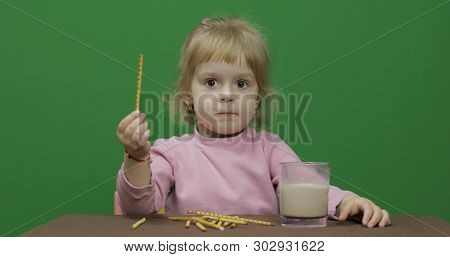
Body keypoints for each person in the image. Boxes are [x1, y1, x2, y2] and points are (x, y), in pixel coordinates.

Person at [116, 16, 391, 228]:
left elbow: (309, 189)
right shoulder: (171, 153)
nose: (226, 95)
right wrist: (137, 157)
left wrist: (347, 201)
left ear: (257, 97)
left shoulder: (270, 149)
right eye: (211, 82)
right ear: (188, 96)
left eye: (241, 83)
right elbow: (138, 209)